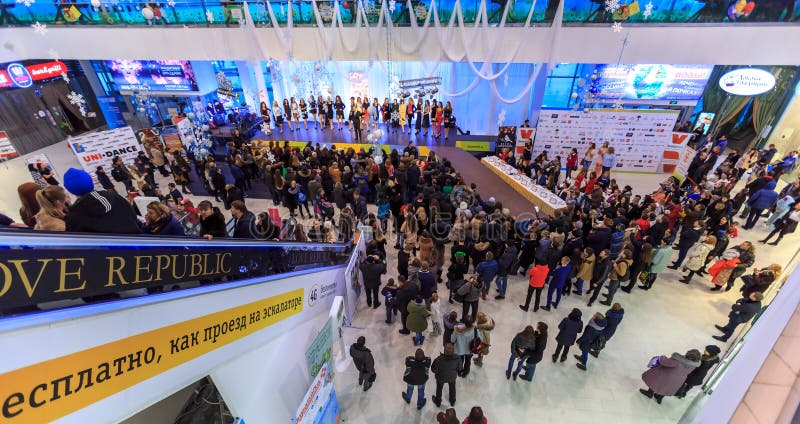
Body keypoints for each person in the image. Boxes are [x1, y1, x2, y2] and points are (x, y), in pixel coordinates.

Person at [62, 168, 141, 234]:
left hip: (113, 251)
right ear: (90, 181)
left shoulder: (74, 215)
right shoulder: (113, 196)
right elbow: (133, 216)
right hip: (138, 241)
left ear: (70, 189)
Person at [431, 343, 463, 408]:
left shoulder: (438, 360)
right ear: (453, 351)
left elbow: (434, 370)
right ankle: (452, 401)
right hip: (452, 377)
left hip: (440, 378)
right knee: (452, 388)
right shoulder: (458, 358)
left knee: (439, 389)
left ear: (444, 351)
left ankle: (438, 402)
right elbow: (460, 368)